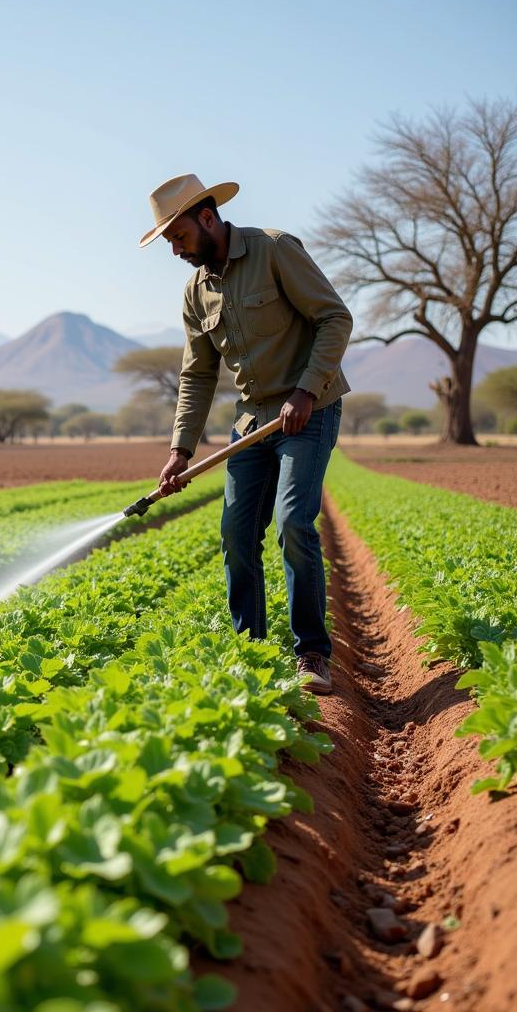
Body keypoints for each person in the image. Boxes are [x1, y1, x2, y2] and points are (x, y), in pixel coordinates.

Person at [139, 174, 352, 694]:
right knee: (236, 535)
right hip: (251, 422)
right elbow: (198, 375)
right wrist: (179, 449)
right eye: (168, 241)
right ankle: (250, 656)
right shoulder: (195, 291)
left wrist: (304, 391)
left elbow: (334, 318)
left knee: (293, 523)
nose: (175, 250)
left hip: (309, 409)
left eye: (179, 237)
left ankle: (312, 656)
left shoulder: (275, 250)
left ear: (207, 218)